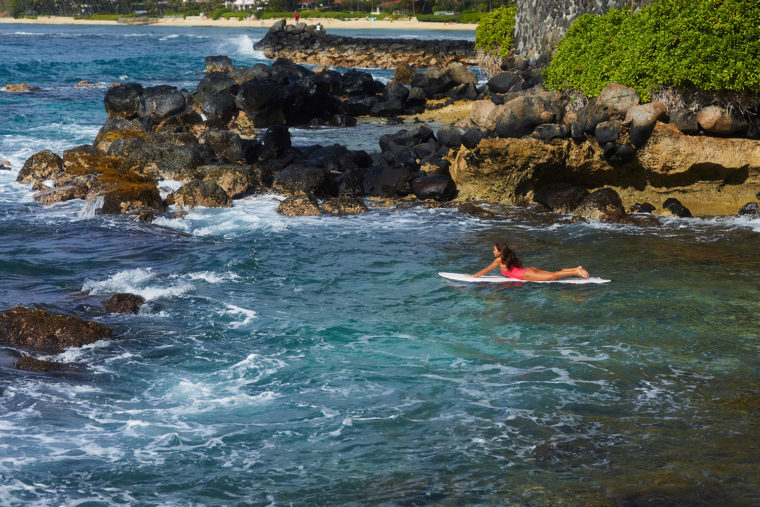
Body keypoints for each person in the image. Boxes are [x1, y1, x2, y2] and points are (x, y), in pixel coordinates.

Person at [471, 243, 589, 281]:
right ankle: (575, 268)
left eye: (494, 250)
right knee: (552, 274)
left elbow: (487, 269)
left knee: (552, 277)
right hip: (528, 271)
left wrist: (474, 276)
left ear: (500, 252)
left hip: (526, 275)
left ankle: (576, 272)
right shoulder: (507, 256)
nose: (493, 251)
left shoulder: (499, 260)